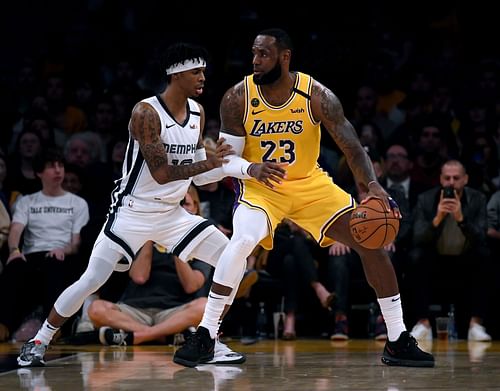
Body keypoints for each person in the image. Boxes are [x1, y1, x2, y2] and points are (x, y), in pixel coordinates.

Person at [174, 29, 434, 368]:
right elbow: (227, 162)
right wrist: (253, 169)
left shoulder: (315, 95)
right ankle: (206, 336)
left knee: (371, 242)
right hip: (261, 188)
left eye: (263, 54)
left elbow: (351, 145)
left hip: (309, 184)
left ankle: (397, 339)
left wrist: (371, 185)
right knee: (241, 242)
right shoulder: (237, 97)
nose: (255, 60)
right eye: (253, 53)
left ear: (284, 57)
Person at [17, 42, 237, 367]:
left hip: (174, 212)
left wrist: (230, 167)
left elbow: (199, 176)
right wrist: (209, 163)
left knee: (233, 258)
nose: (203, 77)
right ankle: (40, 340)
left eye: (203, 70)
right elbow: (162, 173)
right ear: (175, 74)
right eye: (196, 71)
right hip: (132, 212)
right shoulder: (146, 112)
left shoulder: (198, 113)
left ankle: (208, 338)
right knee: (91, 280)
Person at [0, 149, 89, 343]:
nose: (58, 170)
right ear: (39, 173)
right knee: (13, 267)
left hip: (62, 254)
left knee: (54, 267)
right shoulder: (27, 201)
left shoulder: (77, 203)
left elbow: (76, 243)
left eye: (60, 166)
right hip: (32, 255)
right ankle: (4, 326)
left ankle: (54, 327)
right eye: (51, 166)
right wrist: (14, 250)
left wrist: (63, 250)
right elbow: (15, 230)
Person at [407, 159, 492, 342]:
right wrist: (437, 218)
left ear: (465, 179)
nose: (451, 182)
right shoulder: (426, 199)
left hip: (465, 260)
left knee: (485, 256)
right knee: (415, 257)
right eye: (447, 178)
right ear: (440, 179)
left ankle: (475, 325)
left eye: (456, 178)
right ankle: (423, 324)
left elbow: (481, 238)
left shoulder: (478, 199)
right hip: (436, 260)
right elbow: (417, 238)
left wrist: (461, 219)